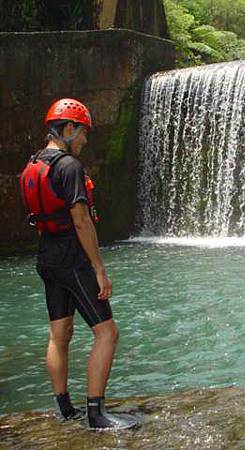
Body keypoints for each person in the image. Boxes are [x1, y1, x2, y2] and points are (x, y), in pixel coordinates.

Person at [19, 98, 137, 430]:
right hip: (72, 258)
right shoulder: (69, 166)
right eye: (83, 133)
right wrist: (99, 269)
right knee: (107, 333)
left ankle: (65, 408)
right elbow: (82, 221)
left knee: (60, 333)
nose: (85, 140)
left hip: (47, 256)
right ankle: (96, 414)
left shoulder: (33, 164)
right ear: (68, 129)